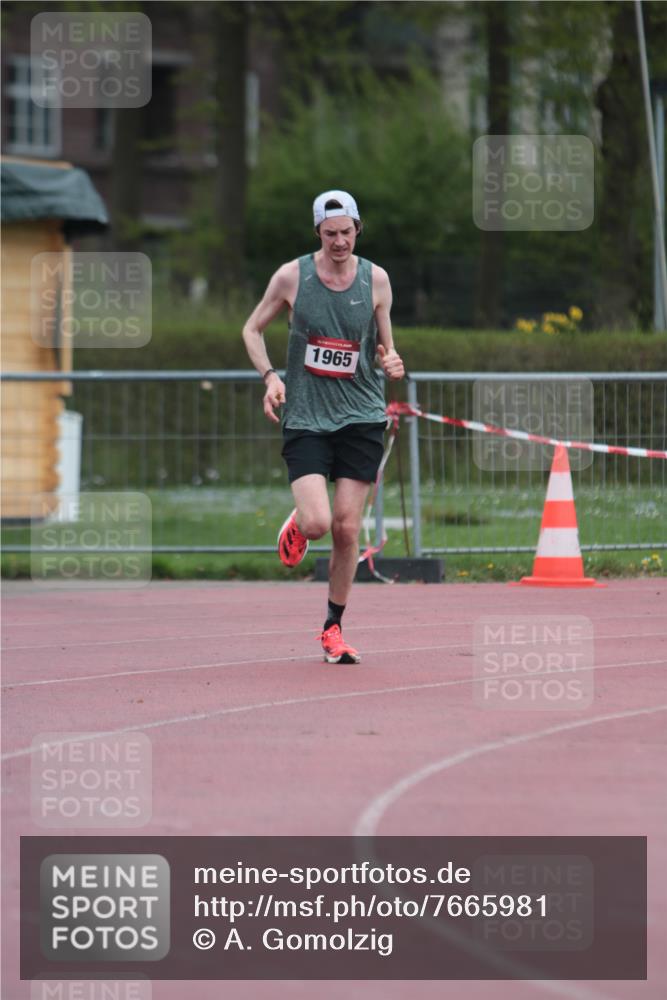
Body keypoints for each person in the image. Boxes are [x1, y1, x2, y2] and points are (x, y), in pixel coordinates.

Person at [242, 190, 404, 664]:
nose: (339, 242)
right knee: (317, 523)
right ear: (318, 232)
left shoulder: (376, 280)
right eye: (330, 234)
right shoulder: (293, 276)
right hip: (308, 416)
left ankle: (333, 628)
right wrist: (271, 377)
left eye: (347, 233)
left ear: (358, 229)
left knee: (347, 528)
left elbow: (384, 348)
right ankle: (298, 521)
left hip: (361, 416)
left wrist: (391, 360)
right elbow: (251, 329)